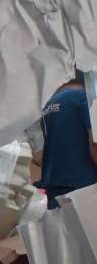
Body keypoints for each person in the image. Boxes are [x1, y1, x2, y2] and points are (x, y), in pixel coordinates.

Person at [35, 69, 97, 208]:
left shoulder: (47, 107)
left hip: (53, 189)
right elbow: (95, 142)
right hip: (83, 190)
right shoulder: (82, 98)